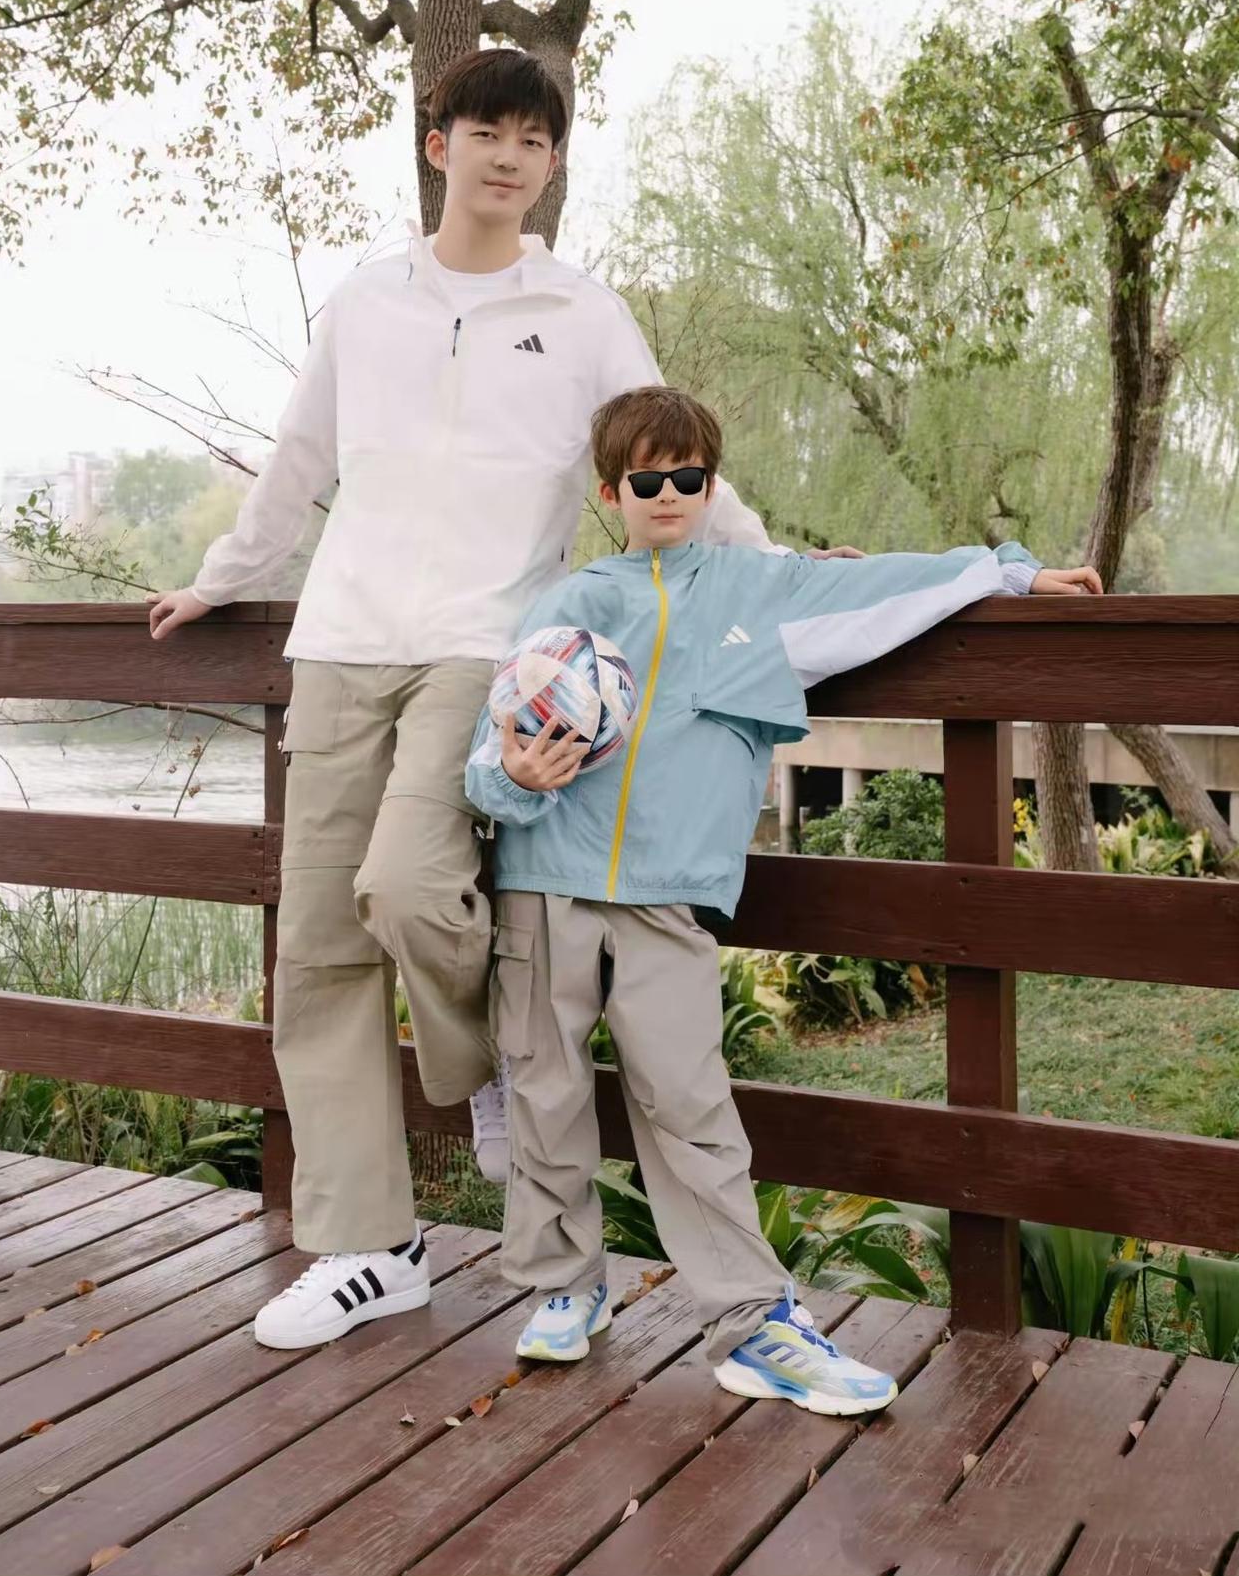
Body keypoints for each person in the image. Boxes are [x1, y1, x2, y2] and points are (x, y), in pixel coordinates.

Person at [144, 50, 812, 1352]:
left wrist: (776, 563)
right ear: (437, 143)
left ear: (550, 163)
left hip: (486, 646)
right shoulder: (365, 301)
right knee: (319, 953)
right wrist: (224, 579)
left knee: (405, 887)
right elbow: (299, 464)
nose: (509, 157)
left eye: (533, 140)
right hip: (340, 641)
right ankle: (369, 1246)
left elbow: (665, 453)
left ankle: (495, 1057)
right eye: (486, 132)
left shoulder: (579, 309)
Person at [464, 385, 1101, 1414]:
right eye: (645, 479)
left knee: (689, 1104)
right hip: (542, 886)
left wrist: (1009, 574)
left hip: (669, 900)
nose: (668, 494)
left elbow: (890, 585)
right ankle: (562, 1284)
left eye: (688, 476)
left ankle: (753, 1321)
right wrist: (512, 779)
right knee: (543, 1089)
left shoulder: (761, 588)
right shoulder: (568, 605)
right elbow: (483, 759)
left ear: (711, 485)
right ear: (609, 493)